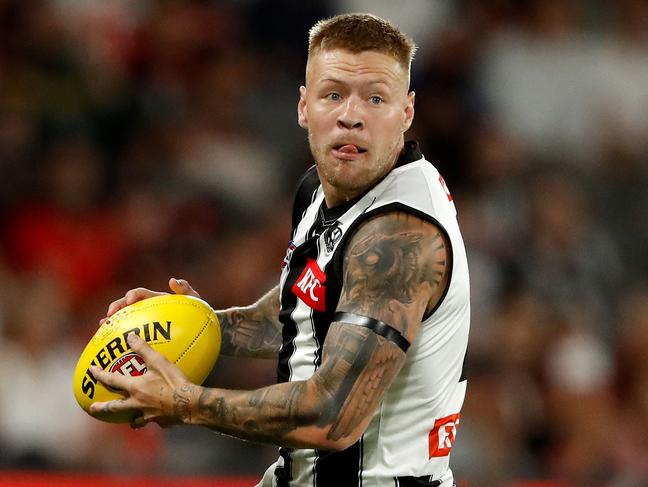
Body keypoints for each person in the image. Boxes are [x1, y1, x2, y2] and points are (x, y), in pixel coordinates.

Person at [89, 13, 471, 487]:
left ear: (407, 113)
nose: (351, 115)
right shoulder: (320, 192)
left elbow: (333, 418)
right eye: (333, 94)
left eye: (375, 98)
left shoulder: (398, 236)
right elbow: (304, 312)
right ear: (304, 106)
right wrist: (193, 323)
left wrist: (184, 402)